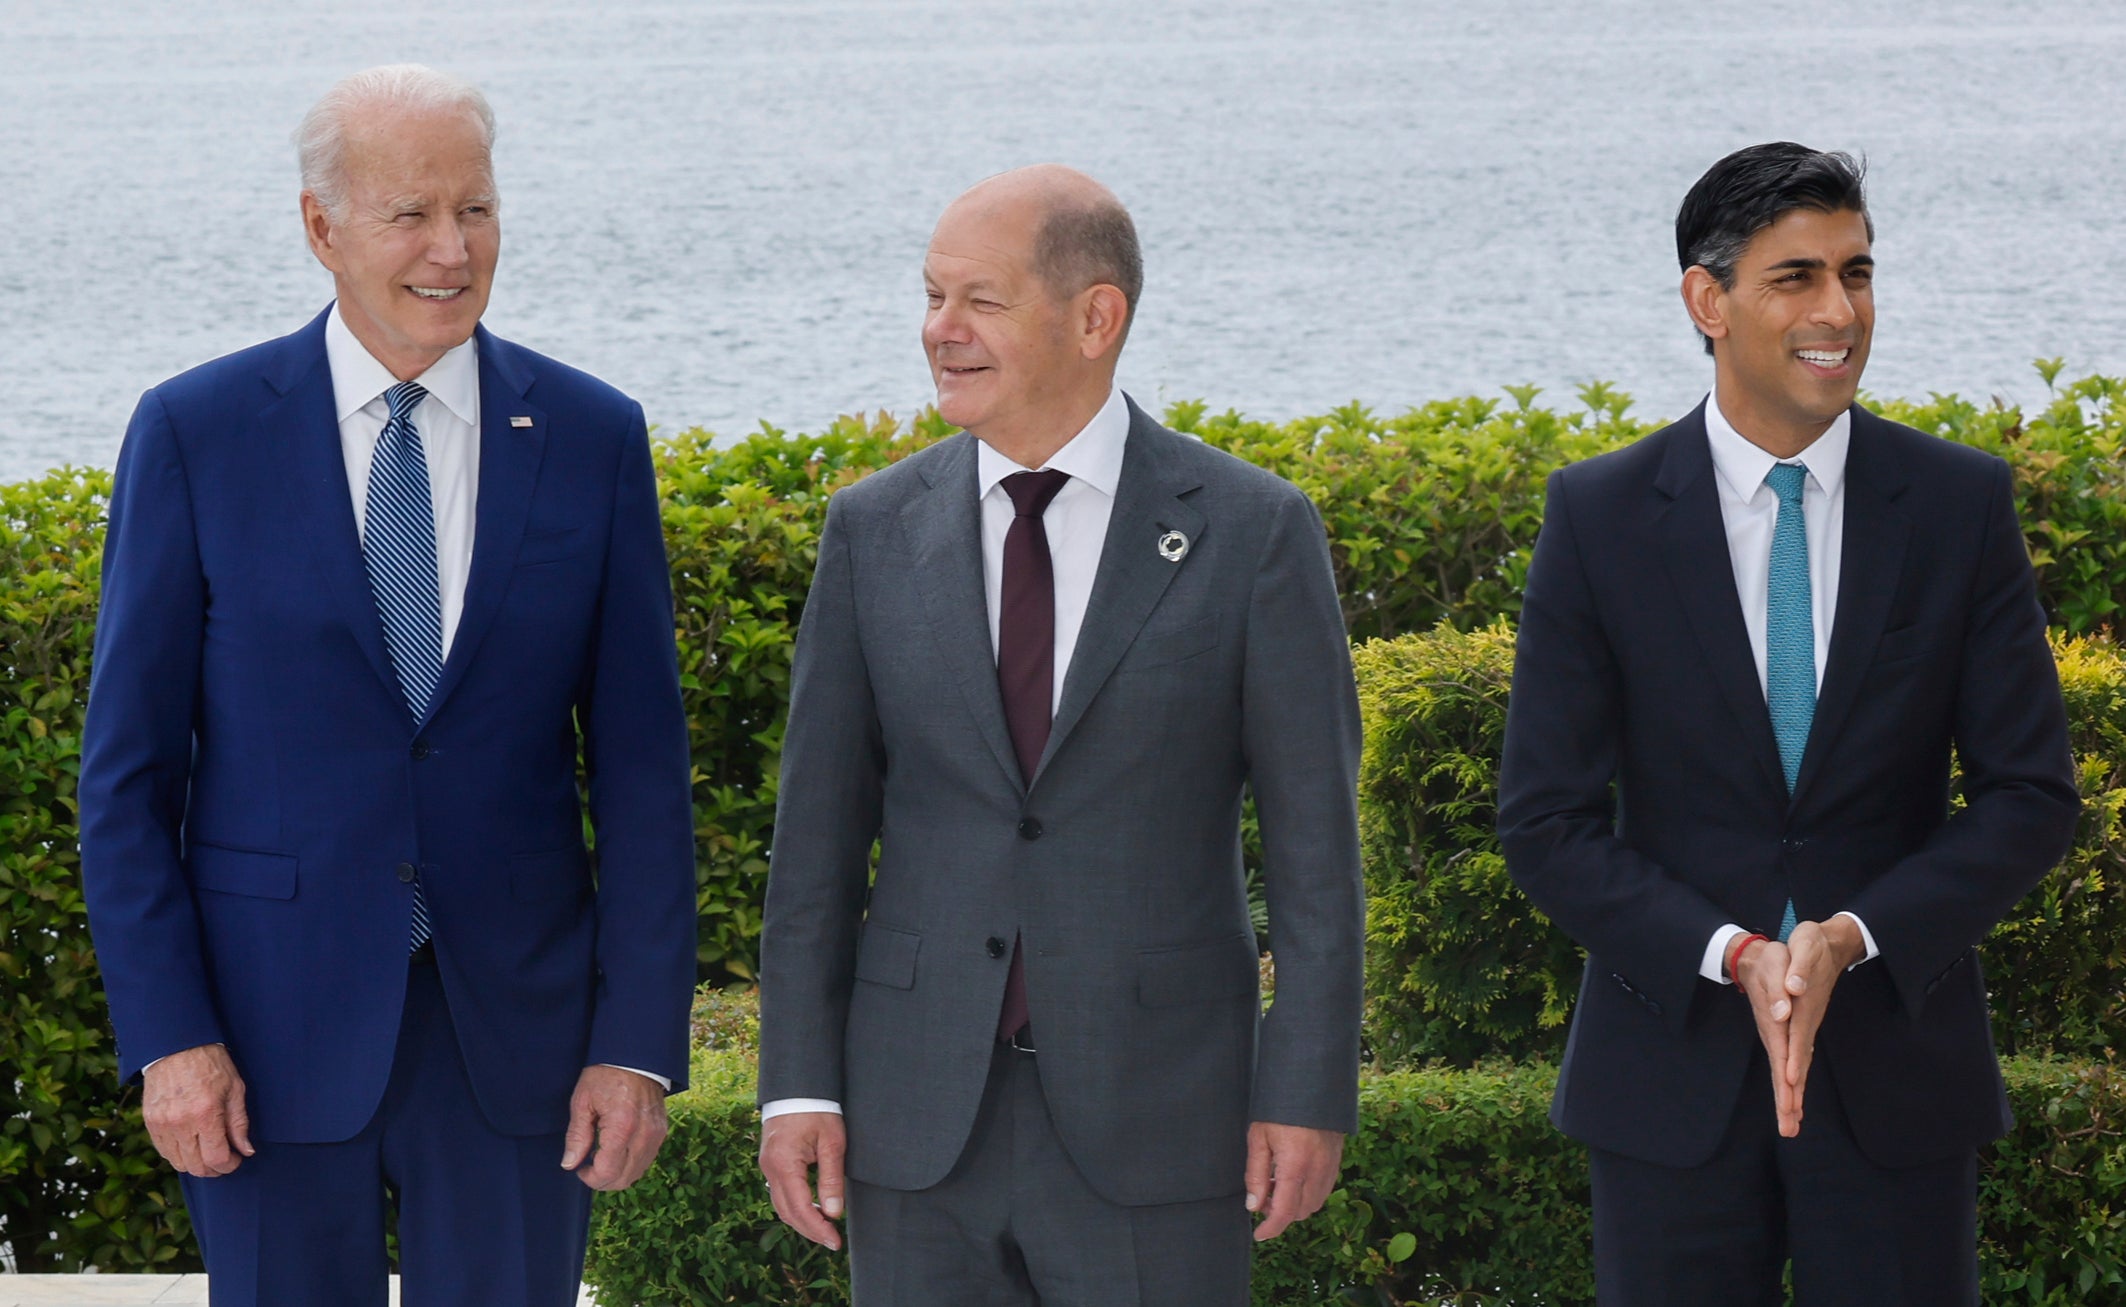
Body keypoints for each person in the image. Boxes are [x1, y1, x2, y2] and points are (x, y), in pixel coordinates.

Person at [77, 64, 697, 1305]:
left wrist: (636, 1046)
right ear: (322, 227)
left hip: (518, 1044)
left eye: (475, 208)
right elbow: (129, 776)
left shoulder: (590, 434)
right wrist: (171, 1038)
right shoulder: (196, 432)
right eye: (410, 212)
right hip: (261, 1038)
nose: (451, 248)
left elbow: (641, 776)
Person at [753, 165, 1365, 1304]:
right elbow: (814, 852)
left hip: (1160, 1120)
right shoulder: (870, 529)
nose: (940, 331)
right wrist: (796, 1084)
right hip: (915, 1126)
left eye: (977, 301)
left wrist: (1306, 1086)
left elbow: (1317, 861)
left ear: (1096, 317)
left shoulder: (1251, 531)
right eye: (930, 297)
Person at [1497, 141, 2080, 1304]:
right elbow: (1544, 818)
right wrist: (1738, 954)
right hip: (1665, 1082)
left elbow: (2028, 795)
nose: (1838, 311)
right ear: (1705, 300)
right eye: (1795, 277)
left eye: (1855, 273)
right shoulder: (1599, 514)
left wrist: (1849, 934)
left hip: (1896, 1080)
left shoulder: (1957, 504)